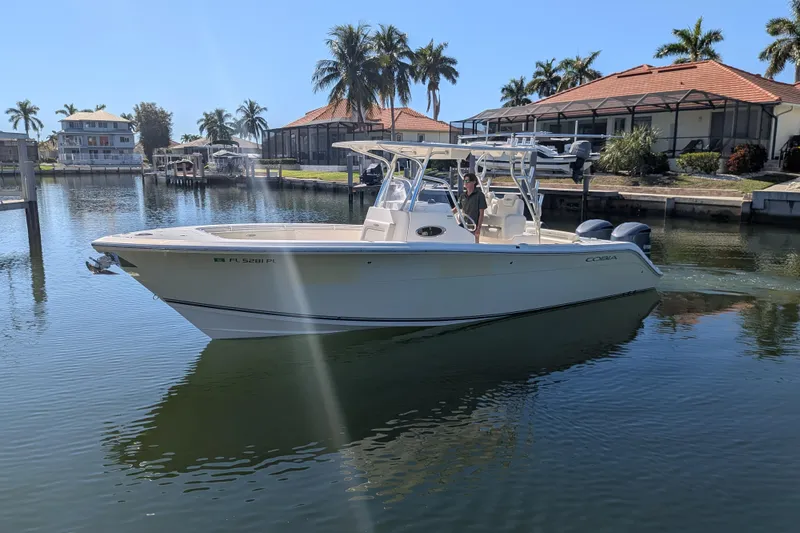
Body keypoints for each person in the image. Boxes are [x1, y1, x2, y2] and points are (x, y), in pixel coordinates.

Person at [455, 173, 487, 242]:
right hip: (463, 225)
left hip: (473, 226)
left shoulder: (480, 195)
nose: (465, 183)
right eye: (464, 181)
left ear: (474, 182)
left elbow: (481, 214)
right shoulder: (462, 195)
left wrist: (478, 228)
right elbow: (456, 209)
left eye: (467, 181)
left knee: (474, 245)